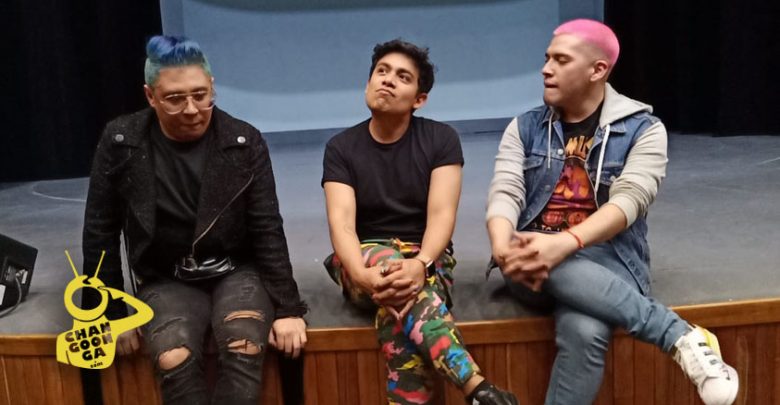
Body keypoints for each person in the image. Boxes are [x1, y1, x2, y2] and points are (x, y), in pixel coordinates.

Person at [486, 19, 738, 405]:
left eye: (560, 60)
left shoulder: (644, 130)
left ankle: (679, 337)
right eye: (547, 58)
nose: (546, 69)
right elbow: (505, 192)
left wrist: (566, 243)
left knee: (585, 331)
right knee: (543, 253)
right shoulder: (524, 128)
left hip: (610, 259)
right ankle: (678, 336)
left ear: (598, 70)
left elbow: (630, 201)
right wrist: (503, 245)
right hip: (530, 260)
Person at [82, 35, 307, 405]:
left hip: (237, 270)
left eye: (201, 95)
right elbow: (100, 230)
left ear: (212, 86)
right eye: (174, 99)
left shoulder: (243, 140)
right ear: (150, 96)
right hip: (165, 276)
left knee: (244, 345)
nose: (191, 109)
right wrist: (110, 312)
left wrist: (288, 308)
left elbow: (267, 227)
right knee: (173, 356)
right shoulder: (121, 141)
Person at [322, 39, 518, 405]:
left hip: (427, 261)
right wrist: (361, 275)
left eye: (403, 77)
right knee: (389, 268)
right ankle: (475, 386)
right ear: (368, 83)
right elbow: (343, 224)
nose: (387, 80)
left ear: (419, 99)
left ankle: (477, 392)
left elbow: (442, 214)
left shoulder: (441, 139)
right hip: (362, 260)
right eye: (381, 71)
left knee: (395, 320)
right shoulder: (341, 147)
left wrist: (421, 263)